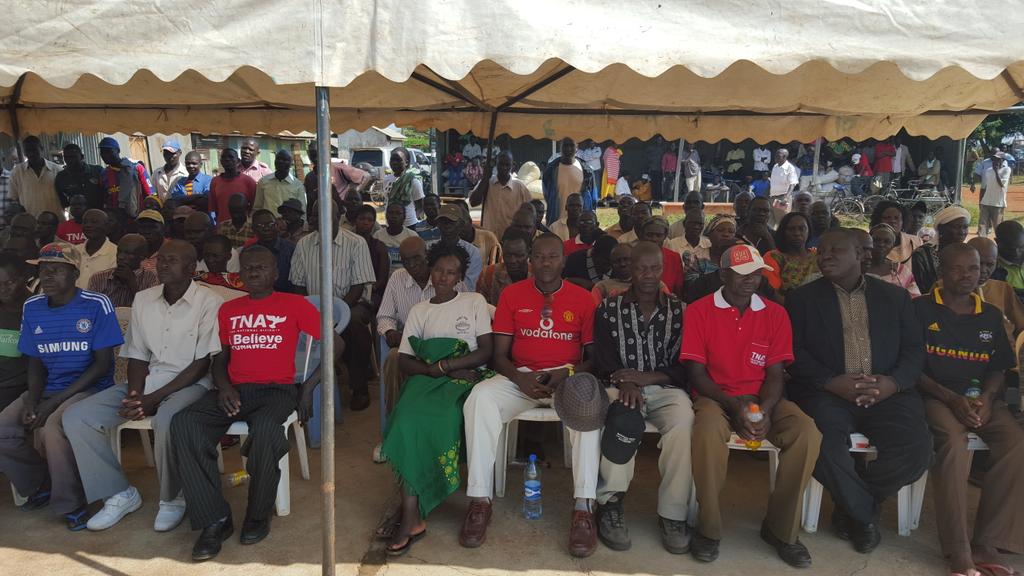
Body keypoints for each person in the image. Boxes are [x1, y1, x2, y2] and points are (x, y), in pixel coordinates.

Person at [172, 245, 322, 561]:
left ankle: (258, 513)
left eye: (262, 267)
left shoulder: (294, 304)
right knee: (185, 423)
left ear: (276, 273)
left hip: (277, 391)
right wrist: (223, 386)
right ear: (239, 275)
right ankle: (215, 519)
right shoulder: (228, 310)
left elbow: (338, 344)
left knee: (267, 430)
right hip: (235, 389)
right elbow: (220, 358)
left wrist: (307, 389)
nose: (254, 272)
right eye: (248, 268)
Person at [786, 229, 931, 554]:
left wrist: (891, 384)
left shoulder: (894, 298)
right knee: (820, 444)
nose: (825, 256)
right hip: (828, 393)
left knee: (917, 450)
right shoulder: (801, 300)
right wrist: (831, 381)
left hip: (887, 393)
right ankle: (864, 514)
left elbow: (913, 351)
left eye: (835, 250)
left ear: (860, 255)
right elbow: (793, 353)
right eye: (821, 251)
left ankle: (851, 503)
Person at [63, 239, 223, 532]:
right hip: (148, 382)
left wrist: (153, 398)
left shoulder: (208, 301)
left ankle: (173, 499)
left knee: (167, 418)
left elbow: (201, 364)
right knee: (77, 417)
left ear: (190, 268)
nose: (162, 265)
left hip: (192, 383)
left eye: (171, 260)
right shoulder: (144, 299)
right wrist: (137, 395)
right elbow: (137, 354)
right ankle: (119, 494)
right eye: (161, 259)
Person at [459, 233, 601, 557]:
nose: (546, 263)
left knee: (591, 406)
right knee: (479, 399)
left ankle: (583, 507)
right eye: (539, 257)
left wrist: (564, 374)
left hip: (566, 377)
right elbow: (498, 355)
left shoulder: (583, 299)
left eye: (553, 256)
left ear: (563, 260)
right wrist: (520, 380)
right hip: (519, 376)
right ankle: (480, 501)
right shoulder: (512, 295)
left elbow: (593, 360)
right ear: (530, 261)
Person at [682, 244, 820, 567]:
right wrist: (733, 406)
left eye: (757, 273)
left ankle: (780, 530)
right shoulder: (700, 310)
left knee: (807, 432)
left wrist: (767, 409)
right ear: (723, 274)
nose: (751, 280)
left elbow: (776, 374)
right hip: (716, 397)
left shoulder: (775, 314)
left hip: (764, 398)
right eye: (743, 274)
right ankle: (709, 529)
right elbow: (697, 374)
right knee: (706, 432)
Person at [376, 241, 494, 556]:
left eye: (451, 272)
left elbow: (485, 350)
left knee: (442, 419)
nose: (443, 277)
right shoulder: (420, 309)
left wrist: (450, 366)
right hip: (427, 379)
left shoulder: (474, 302)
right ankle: (411, 515)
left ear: (460, 276)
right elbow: (405, 361)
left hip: (465, 377)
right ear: (432, 270)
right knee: (405, 419)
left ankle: (410, 514)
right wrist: (437, 370)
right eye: (439, 270)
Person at [913, 243, 1024, 576]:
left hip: (980, 399)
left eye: (973, 269)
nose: (967, 276)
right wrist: (950, 398)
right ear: (941, 273)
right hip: (934, 397)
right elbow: (909, 367)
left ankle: (989, 541)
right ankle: (958, 548)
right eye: (958, 269)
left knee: (1015, 443)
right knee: (953, 443)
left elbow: (998, 367)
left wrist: (989, 398)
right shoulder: (919, 309)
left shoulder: (990, 313)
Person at [0, 242, 122, 530]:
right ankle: (41, 483)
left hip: (90, 388)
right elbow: (34, 361)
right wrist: (32, 399)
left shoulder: (96, 304)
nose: (48, 277)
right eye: (43, 270)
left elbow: (102, 365)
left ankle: (71, 502)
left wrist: (51, 403)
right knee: (4, 427)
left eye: (56, 270)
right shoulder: (33, 306)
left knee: (53, 428)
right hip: (47, 387)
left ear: (74, 273)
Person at [593, 242, 693, 554]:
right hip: (619, 385)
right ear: (629, 270)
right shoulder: (609, 309)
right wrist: (625, 380)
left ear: (663, 269)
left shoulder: (680, 310)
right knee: (622, 421)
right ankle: (610, 502)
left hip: (665, 388)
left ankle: (673, 514)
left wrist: (646, 379)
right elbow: (602, 358)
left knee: (684, 423)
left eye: (655, 268)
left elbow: (685, 365)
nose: (648, 275)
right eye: (641, 268)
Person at [289, 200, 376, 411]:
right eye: (315, 216)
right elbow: (298, 285)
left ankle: (359, 387)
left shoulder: (356, 243)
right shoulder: (303, 244)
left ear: (338, 217)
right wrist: (310, 313)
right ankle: (295, 390)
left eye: (326, 215)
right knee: (288, 324)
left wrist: (335, 315)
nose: (319, 220)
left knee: (355, 325)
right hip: (313, 308)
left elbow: (358, 286)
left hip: (351, 304)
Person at [376, 236, 470, 409]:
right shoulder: (397, 278)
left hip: (444, 346)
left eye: (416, 258)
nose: (411, 265)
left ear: (427, 255)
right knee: (393, 358)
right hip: (409, 344)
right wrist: (390, 332)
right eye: (406, 260)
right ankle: (395, 414)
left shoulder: (450, 279)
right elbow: (384, 316)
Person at [967, 236, 1024, 340]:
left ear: (996, 263)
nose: (983, 270)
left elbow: (1021, 326)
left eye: (990, 265)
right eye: (978, 263)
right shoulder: (944, 288)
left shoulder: (1003, 289)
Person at [471, 151, 532, 239]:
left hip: (512, 239)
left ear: (512, 165)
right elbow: (473, 202)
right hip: (489, 237)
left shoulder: (519, 187)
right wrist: (485, 179)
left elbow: (530, 211)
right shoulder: (487, 183)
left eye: (507, 165)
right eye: (501, 164)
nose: (504, 168)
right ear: (496, 164)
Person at [85, 234, 159, 307]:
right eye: (119, 251)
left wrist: (131, 283)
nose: (121, 257)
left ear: (142, 256)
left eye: (128, 253)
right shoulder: (98, 278)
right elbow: (90, 310)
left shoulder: (151, 278)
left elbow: (149, 310)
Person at [912, 205, 970, 294]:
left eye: (965, 227)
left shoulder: (969, 254)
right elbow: (921, 288)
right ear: (941, 228)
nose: (962, 232)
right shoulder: (922, 254)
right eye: (956, 227)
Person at [762, 212, 820, 300]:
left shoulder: (818, 255)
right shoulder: (774, 257)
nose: (797, 233)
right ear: (783, 232)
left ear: (809, 231)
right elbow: (772, 293)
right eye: (791, 229)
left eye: (802, 228)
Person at [0, 253, 31, 412]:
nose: (3, 289)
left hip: (17, 388)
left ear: (25, 278)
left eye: (10, 282)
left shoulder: (36, 310)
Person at [431, 204, 483, 291]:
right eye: (443, 221)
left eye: (451, 221)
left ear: (461, 224)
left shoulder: (473, 252)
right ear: (438, 225)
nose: (447, 225)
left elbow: (470, 286)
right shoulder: (429, 248)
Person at [543, 137, 594, 224]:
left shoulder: (587, 171)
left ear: (577, 148)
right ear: (560, 148)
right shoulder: (551, 170)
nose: (568, 149)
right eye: (565, 145)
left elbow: (592, 198)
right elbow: (547, 195)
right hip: (557, 221)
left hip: (580, 223)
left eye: (572, 145)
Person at [98, 136, 152, 218]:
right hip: (115, 220)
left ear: (118, 151)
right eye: (102, 152)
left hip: (137, 218)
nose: (105, 155)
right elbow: (104, 198)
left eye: (109, 151)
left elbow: (151, 194)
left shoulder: (136, 168)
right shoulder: (104, 174)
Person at [11, 136, 63, 220]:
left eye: (34, 150)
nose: (31, 153)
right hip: (30, 224)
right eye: (28, 150)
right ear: (24, 152)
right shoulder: (17, 172)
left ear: (42, 149)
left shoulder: (57, 170)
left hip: (56, 222)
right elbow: (14, 199)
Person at [477, 228, 532, 306]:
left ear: (529, 253)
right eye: (508, 255)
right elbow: (479, 309)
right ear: (502, 249)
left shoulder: (539, 277)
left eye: (519, 255)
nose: (512, 260)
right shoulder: (488, 274)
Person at [865, 224, 921, 296]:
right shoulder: (858, 268)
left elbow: (915, 298)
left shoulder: (901, 271)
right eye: (876, 240)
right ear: (869, 242)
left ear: (892, 246)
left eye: (887, 241)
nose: (881, 244)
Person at [248, 209, 296, 293]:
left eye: (271, 224)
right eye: (261, 225)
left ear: (277, 226)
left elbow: (296, 282)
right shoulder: (249, 252)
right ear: (253, 229)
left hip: (286, 298)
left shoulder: (291, 249)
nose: (267, 228)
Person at [353, 204, 390, 309]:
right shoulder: (347, 244)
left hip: (372, 292)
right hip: (348, 290)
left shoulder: (379, 247)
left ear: (374, 223)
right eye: (362, 219)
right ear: (355, 220)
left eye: (370, 220)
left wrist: (366, 291)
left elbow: (382, 280)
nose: (365, 223)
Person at [640, 217, 685, 298]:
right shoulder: (633, 256)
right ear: (642, 235)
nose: (654, 239)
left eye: (658, 235)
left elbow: (679, 290)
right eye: (649, 235)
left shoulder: (674, 258)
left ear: (665, 236)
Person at [208, 149, 257, 224]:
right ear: (221, 161)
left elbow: (254, 207)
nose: (227, 159)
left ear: (238, 161)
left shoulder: (249, 182)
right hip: (222, 227)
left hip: (244, 228)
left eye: (231, 157)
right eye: (224, 157)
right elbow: (215, 208)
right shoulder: (215, 182)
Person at [252, 150, 305, 215]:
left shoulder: (298, 185)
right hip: (268, 223)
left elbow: (302, 210)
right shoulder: (263, 181)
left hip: (289, 223)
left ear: (291, 163)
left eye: (285, 160)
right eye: (278, 159)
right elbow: (257, 207)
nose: (281, 162)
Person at [74, 209, 117, 290]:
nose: (88, 225)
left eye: (94, 222)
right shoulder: (74, 251)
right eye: (85, 222)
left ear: (107, 226)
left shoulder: (115, 253)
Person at [54, 143, 104, 210]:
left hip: (99, 214)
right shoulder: (61, 177)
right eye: (66, 157)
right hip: (77, 217)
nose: (69, 160)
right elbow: (63, 202)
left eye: (73, 157)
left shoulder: (97, 171)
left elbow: (107, 194)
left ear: (82, 156)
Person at [870, 200, 921, 265]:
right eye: (887, 218)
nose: (892, 221)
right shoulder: (869, 242)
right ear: (878, 220)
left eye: (897, 218)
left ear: (903, 221)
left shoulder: (916, 242)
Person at [384, 147, 425, 227]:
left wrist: (410, 219)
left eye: (398, 160)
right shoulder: (386, 179)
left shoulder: (413, 181)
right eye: (392, 160)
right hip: (390, 224)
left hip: (409, 224)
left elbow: (420, 205)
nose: (394, 163)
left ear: (406, 162)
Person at [373, 203, 418, 274]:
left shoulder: (412, 236)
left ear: (404, 217)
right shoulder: (378, 235)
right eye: (391, 213)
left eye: (398, 213)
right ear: (386, 216)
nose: (394, 216)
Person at [667, 211, 710, 278]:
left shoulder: (709, 244)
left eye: (700, 223)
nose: (696, 226)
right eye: (692, 223)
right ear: (684, 224)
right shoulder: (672, 244)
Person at [979, 153, 1012, 238]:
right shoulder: (988, 170)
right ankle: (982, 244)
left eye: (997, 159)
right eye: (994, 159)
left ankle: (1001, 245)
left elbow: (1001, 185)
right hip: (986, 202)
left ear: (1002, 160)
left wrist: (996, 171)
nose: (995, 161)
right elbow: (987, 186)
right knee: (982, 226)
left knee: (998, 227)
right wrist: (982, 199)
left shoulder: (1006, 170)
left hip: (998, 203)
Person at [992, 220, 1024, 301]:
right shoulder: (992, 268)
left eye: (1021, 247)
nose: (1017, 253)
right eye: (1011, 249)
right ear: (997, 242)